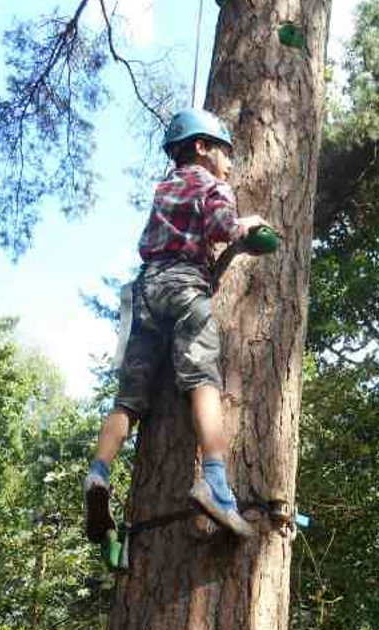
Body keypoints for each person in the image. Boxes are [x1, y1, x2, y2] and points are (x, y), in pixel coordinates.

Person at [83, 108, 271, 542]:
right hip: (185, 285)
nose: (229, 162)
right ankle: (216, 485)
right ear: (202, 147)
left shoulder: (164, 187)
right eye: (224, 151)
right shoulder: (213, 184)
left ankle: (97, 473)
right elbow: (223, 228)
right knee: (203, 379)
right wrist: (251, 225)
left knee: (128, 400)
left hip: (146, 289)